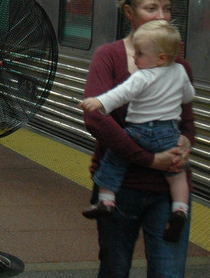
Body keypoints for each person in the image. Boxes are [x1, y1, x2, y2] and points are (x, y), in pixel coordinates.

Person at [83, 0, 194, 278]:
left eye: (167, 9)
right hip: (122, 186)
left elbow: (186, 118)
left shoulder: (175, 60)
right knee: (114, 274)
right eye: (152, 8)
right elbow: (98, 121)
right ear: (129, 12)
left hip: (166, 192)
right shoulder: (110, 57)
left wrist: (184, 145)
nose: (161, 16)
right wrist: (147, 157)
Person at [79, 19, 195, 242]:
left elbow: (120, 94)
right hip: (169, 134)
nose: (135, 58)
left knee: (113, 159)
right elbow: (189, 96)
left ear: (161, 58)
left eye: (140, 54)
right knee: (177, 172)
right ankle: (180, 209)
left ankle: (106, 200)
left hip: (141, 132)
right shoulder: (180, 70)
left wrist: (99, 102)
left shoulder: (142, 76)